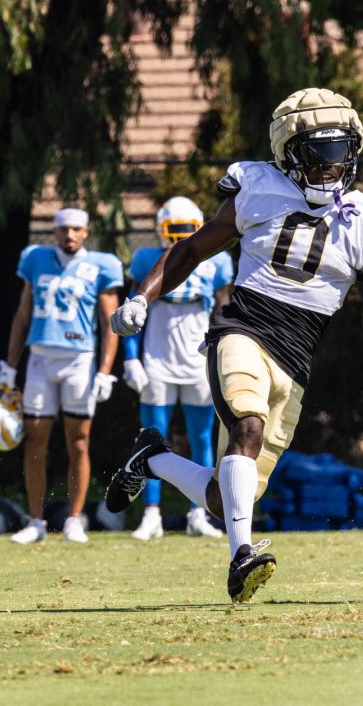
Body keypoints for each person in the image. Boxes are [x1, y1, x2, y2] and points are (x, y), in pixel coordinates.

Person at [104, 87, 363, 603]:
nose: (330, 166)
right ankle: (241, 557)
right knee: (246, 427)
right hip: (243, 329)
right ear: (289, 154)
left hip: (298, 357)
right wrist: (142, 297)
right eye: (317, 153)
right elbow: (191, 248)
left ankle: (153, 458)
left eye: (340, 151)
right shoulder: (257, 188)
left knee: (223, 495)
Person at [0, 207, 123, 545]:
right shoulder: (35, 258)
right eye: (63, 229)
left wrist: (106, 371)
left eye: (76, 229)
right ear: (54, 231)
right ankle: (35, 520)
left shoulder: (102, 264)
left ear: (86, 232)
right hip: (40, 357)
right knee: (35, 438)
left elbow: (111, 320)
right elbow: (23, 314)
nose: (69, 235)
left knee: (78, 440)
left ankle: (74, 519)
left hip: (79, 359)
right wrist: (9, 364)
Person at [121, 196, 234, 541]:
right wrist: (130, 357)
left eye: (187, 231)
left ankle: (197, 513)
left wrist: (221, 344)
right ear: (160, 230)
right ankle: (151, 514)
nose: (180, 238)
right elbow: (130, 310)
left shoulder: (217, 263)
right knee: (152, 439)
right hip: (157, 360)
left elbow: (224, 305)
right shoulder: (145, 261)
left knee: (203, 439)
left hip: (197, 359)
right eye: (174, 231)